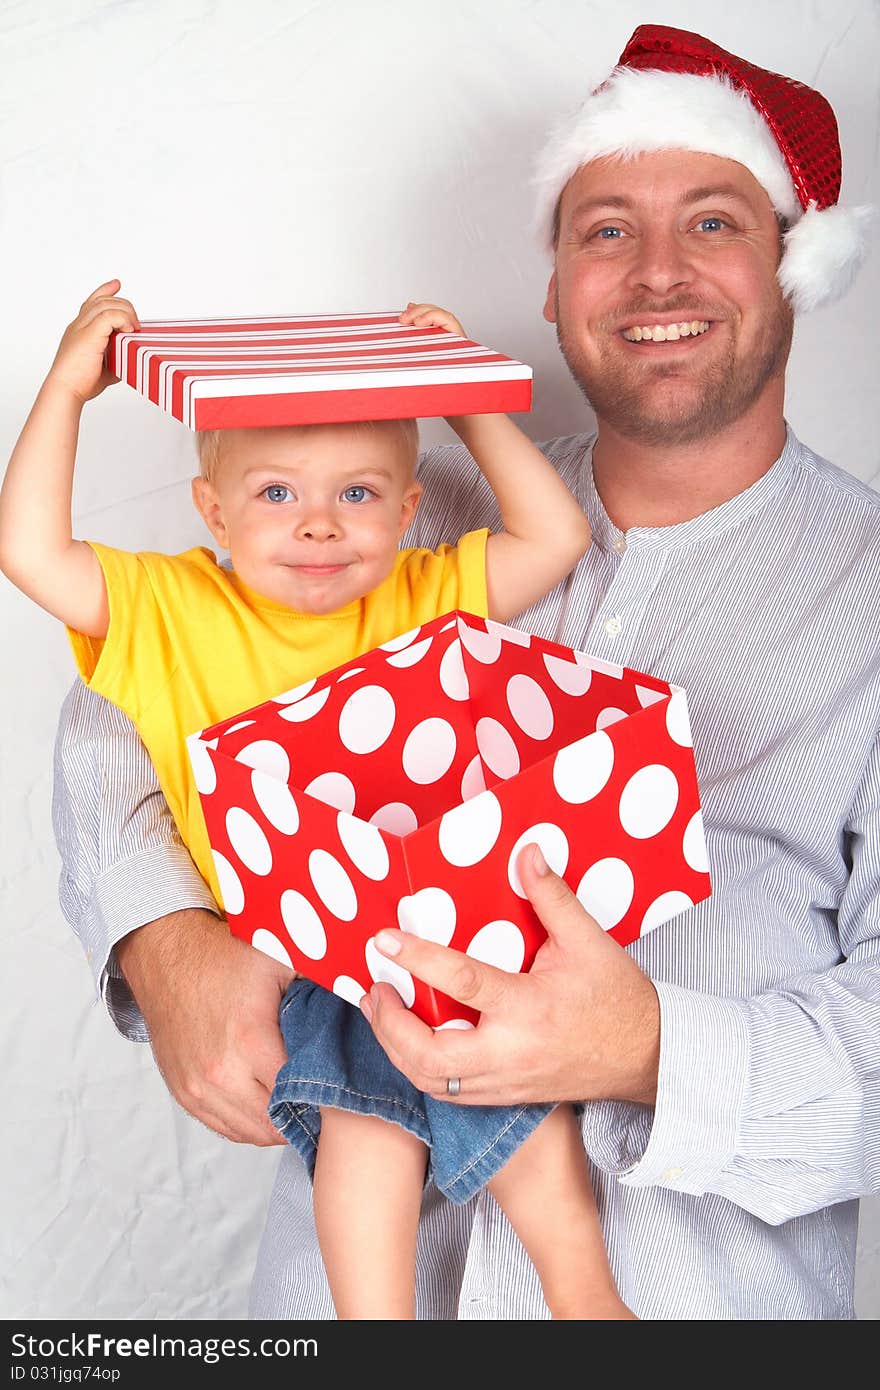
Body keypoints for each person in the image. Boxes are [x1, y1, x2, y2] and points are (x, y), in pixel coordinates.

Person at [50, 22, 878, 1320]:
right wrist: (164, 934)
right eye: (606, 227)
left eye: (714, 221)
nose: (657, 269)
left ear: (795, 265)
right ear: (553, 285)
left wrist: (650, 1048)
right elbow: (134, 690)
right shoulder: (402, 516)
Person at [0, 292, 644, 1319]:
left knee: (530, 1113)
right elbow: (30, 553)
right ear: (211, 512)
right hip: (304, 947)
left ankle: (587, 1301)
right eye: (272, 493)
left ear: (402, 510)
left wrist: (468, 401)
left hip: (448, 926)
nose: (315, 523)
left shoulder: (421, 593)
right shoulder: (172, 609)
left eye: (355, 492)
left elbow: (555, 532)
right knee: (363, 1134)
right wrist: (69, 390)